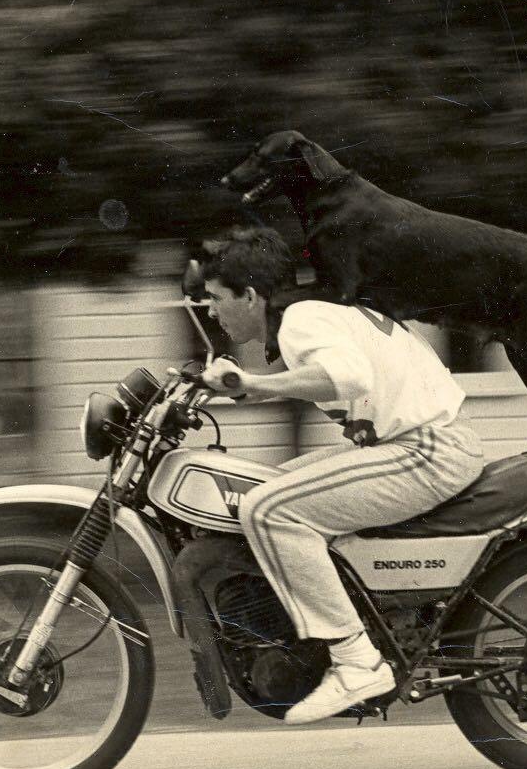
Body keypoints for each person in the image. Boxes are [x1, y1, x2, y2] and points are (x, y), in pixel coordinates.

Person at [199, 227, 484, 724]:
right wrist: (248, 387)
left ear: (249, 296)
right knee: (264, 492)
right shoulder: (314, 313)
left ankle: (356, 660)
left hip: (428, 449)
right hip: (420, 444)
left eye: (215, 298)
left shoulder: (301, 320)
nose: (209, 310)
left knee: (266, 509)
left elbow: (350, 377)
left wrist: (256, 384)